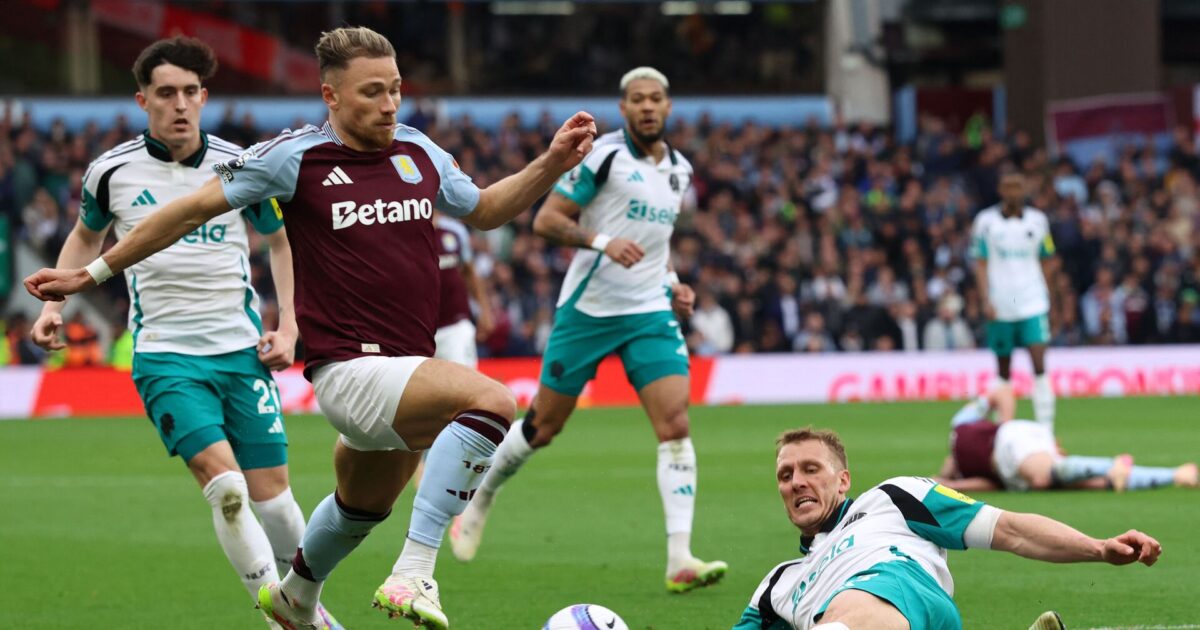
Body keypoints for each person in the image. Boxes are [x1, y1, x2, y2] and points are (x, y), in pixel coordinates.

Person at [25, 26, 597, 630]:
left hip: (405, 366)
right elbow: (186, 212)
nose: (389, 104)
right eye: (371, 92)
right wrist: (90, 274)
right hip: (349, 368)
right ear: (331, 96)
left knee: (361, 507)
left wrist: (551, 162)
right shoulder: (292, 156)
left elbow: (485, 210)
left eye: (395, 89)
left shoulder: (418, 149)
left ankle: (295, 597)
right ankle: (414, 571)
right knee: (494, 402)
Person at [27, 37, 338, 628]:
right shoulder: (111, 172)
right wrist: (55, 305)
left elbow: (281, 241)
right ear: (142, 100)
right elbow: (86, 237)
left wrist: (288, 325)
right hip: (166, 357)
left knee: (278, 506)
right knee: (227, 489)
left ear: (204, 97)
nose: (179, 104)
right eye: (166, 93)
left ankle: (309, 605)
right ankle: (286, 619)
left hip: (241, 353)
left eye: (190, 92)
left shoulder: (239, 165)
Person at [449, 67, 727, 593]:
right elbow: (546, 220)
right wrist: (602, 243)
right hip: (589, 310)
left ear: (668, 107)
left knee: (675, 424)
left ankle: (679, 559)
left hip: (649, 311)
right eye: (637, 99)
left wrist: (673, 284)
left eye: (656, 99)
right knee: (542, 427)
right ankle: (481, 495)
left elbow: (657, 242)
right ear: (623, 109)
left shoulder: (680, 170)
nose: (648, 107)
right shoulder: (604, 157)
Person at [734, 427, 1163, 630]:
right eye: (786, 475)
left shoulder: (892, 497)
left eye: (811, 469)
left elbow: (1010, 530)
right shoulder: (776, 585)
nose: (797, 482)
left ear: (843, 480)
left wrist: (1098, 547)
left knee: (851, 603)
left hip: (904, 598)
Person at [936, 385, 1198, 493]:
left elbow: (1002, 392)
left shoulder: (960, 426)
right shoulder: (964, 471)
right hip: (1015, 464)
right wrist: (951, 484)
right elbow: (990, 485)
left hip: (1012, 441)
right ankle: (1175, 475)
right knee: (1065, 481)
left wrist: (1005, 424)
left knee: (1045, 476)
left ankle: (1112, 464)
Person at [971, 172, 1057, 427]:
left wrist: (1050, 298)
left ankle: (1046, 431)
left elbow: (1047, 260)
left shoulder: (1038, 221)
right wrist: (986, 299)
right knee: (1003, 371)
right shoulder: (985, 222)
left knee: (1039, 365)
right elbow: (980, 264)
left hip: (1033, 301)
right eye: (1008, 187)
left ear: (1025, 190)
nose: (1013, 192)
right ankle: (1002, 429)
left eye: (1018, 187)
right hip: (1001, 304)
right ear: (1000, 190)